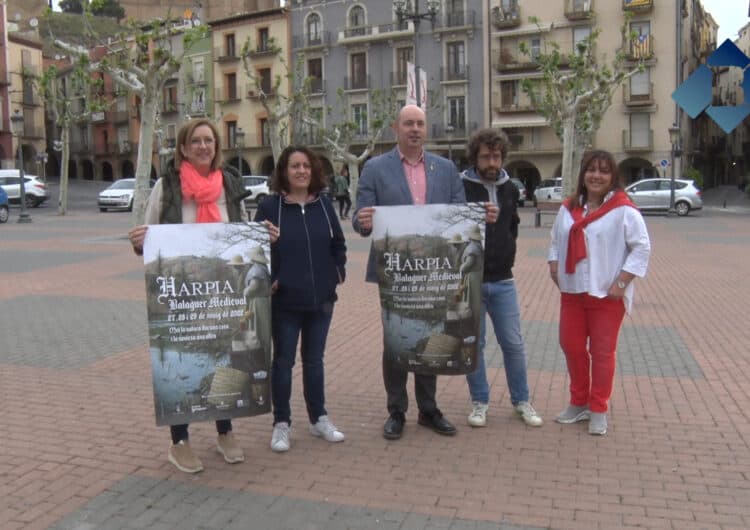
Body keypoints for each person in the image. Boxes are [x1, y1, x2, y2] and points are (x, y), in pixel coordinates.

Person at [128, 118, 279, 473]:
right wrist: (138, 242)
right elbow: (148, 238)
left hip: (223, 288)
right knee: (182, 357)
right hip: (184, 292)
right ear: (183, 147)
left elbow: (241, 227)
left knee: (224, 350)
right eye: (195, 141)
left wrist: (262, 234)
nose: (203, 147)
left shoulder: (228, 183)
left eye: (209, 140)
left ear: (216, 146)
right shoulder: (166, 187)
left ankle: (225, 430)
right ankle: (179, 441)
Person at [353, 104, 498, 440]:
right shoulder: (374, 168)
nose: (414, 129)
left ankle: (428, 409)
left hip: (436, 270)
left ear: (426, 129)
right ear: (396, 128)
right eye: (408, 124)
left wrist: (480, 216)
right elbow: (362, 216)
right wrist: (363, 221)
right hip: (395, 272)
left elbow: (458, 213)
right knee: (397, 338)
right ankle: (397, 410)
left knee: (430, 332)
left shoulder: (446, 169)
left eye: (420, 123)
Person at [547, 150, 651, 436]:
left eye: (603, 171)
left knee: (602, 353)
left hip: (606, 295)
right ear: (583, 175)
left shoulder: (623, 209)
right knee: (572, 346)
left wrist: (622, 283)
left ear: (612, 177)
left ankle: (599, 407)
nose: (596, 176)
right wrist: (554, 265)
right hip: (572, 293)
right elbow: (556, 240)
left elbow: (641, 246)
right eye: (591, 170)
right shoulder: (568, 208)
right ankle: (578, 402)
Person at [254, 146, 347, 453]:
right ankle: (282, 424)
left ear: (314, 170)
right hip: (285, 301)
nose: (301, 171)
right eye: (295, 166)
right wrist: (272, 278)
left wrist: (338, 271)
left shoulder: (324, 205)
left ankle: (319, 418)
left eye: (306, 165)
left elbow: (339, 243)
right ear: (284, 171)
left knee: (314, 360)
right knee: (283, 362)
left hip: (322, 299)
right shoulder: (270, 207)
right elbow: (255, 249)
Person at [460, 128, 543, 429]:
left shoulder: (510, 188)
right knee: (473, 345)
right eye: (485, 156)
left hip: (503, 280)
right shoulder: (462, 186)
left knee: (514, 344)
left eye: (496, 156)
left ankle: (522, 400)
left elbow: (513, 226)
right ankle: (479, 402)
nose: (491, 162)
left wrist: (508, 251)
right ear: (475, 157)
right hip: (470, 279)